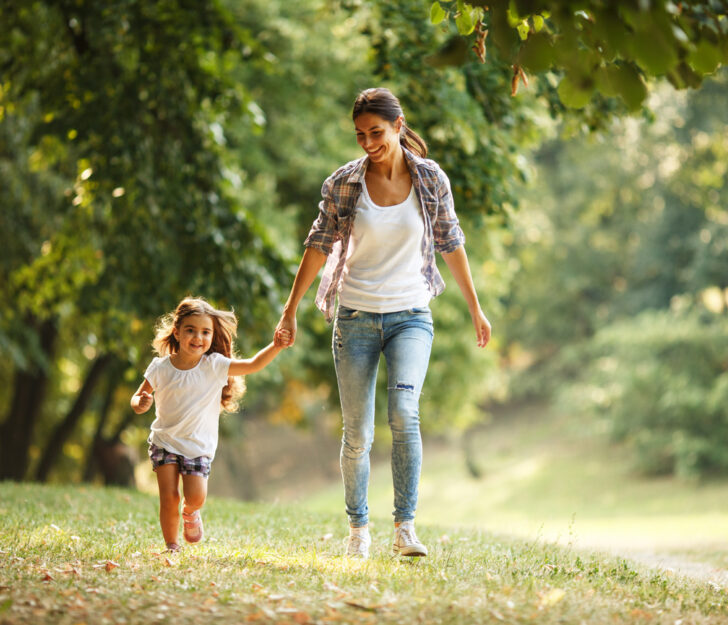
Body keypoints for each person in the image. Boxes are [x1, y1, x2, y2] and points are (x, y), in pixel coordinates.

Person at [275, 87, 491, 559]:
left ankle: (405, 528)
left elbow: (451, 241)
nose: (369, 142)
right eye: (360, 135)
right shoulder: (343, 183)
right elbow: (318, 244)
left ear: (398, 125)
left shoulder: (430, 178)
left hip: (411, 316)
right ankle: (358, 530)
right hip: (353, 317)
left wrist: (476, 308)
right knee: (358, 435)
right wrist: (291, 308)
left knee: (405, 415)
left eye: (376, 132)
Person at [132, 296, 289, 551]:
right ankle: (172, 545)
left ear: (212, 335)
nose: (198, 337)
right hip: (164, 441)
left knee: (195, 497)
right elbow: (138, 395)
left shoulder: (214, 366)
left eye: (205, 332)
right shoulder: (160, 367)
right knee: (169, 497)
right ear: (177, 332)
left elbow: (252, 365)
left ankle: (191, 512)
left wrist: (276, 346)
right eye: (191, 330)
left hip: (197, 445)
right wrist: (139, 402)